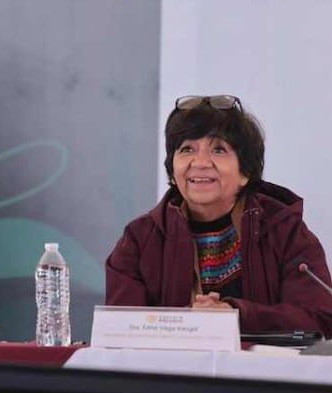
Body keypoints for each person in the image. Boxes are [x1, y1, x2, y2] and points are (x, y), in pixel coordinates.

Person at [105, 94, 332, 335]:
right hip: (172, 372)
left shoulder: (285, 231)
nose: (200, 162)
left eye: (219, 149)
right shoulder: (139, 240)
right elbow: (119, 332)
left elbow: (320, 320)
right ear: (173, 171)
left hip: (261, 371)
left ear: (246, 171)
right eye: (187, 149)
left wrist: (235, 316)